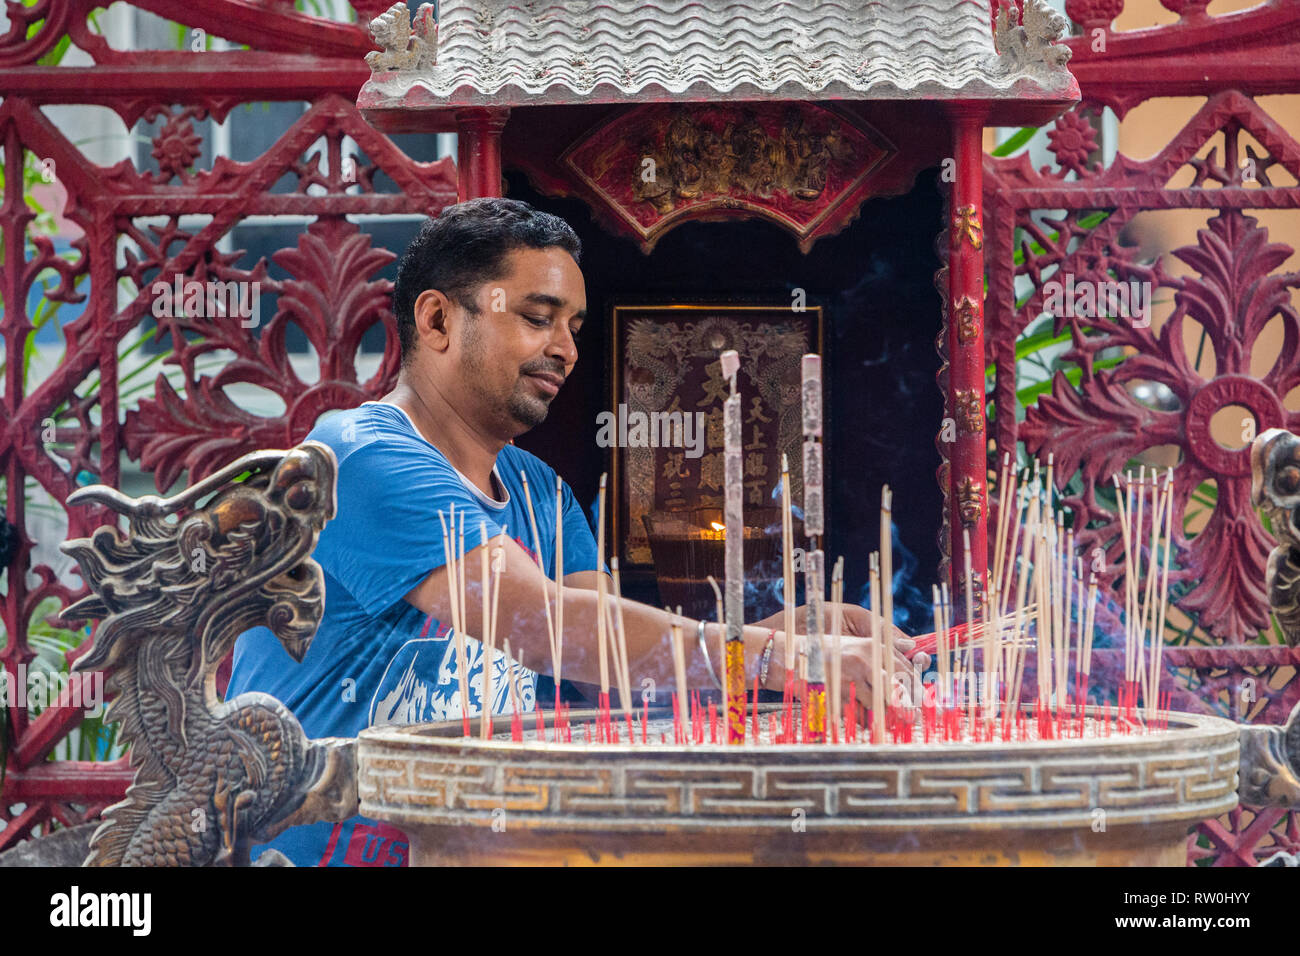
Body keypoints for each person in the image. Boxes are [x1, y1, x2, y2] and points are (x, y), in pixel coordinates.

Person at [228, 197, 920, 866]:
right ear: (437, 320)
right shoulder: (361, 456)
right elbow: (541, 622)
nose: (565, 350)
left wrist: (797, 627)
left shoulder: (539, 491)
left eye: (575, 329)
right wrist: (778, 658)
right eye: (537, 318)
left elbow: (608, 677)